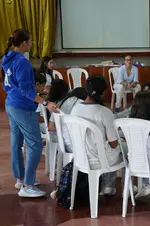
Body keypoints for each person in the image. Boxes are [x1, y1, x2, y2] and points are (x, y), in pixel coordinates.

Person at [1, 29, 58, 197]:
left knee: (16, 143)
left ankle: (20, 179)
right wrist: (46, 102)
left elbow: (6, 84)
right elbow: (27, 91)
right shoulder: (22, 62)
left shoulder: (7, 58)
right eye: (31, 41)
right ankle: (28, 185)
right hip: (22, 107)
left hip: (10, 104)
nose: (32, 43)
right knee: (35, 145)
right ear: (24, 43)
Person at [70, 76, 122, 195]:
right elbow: (113, 144)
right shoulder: (104, 112)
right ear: (102, 93)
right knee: (123, 148)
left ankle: (105, 184)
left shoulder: (75, 109)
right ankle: (109, 185)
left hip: (80, 156)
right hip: (100, 159)